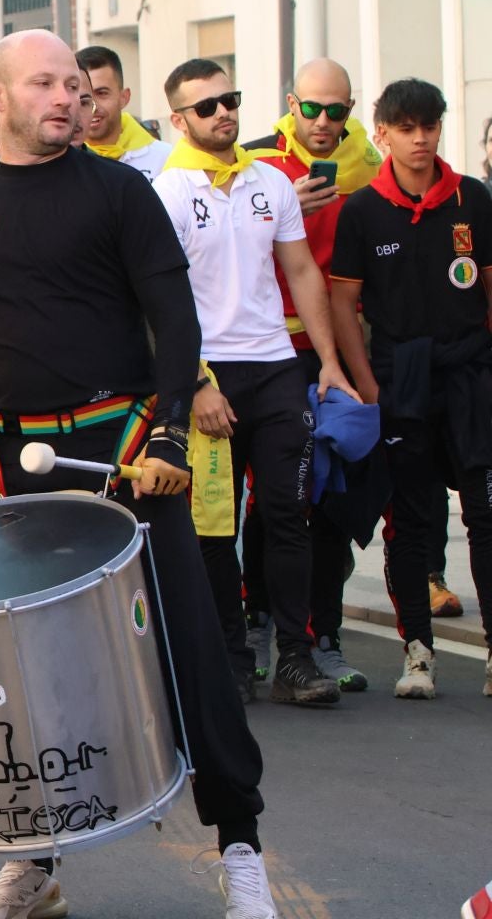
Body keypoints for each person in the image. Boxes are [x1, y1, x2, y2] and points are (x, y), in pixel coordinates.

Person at [0, 30, 275, 919]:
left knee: (189, 651)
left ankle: (240, 849)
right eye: (45, 84)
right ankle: (29, 861)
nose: (68, 99)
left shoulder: (121, 192)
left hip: (124, 459)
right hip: (7, 471)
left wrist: (168, 442)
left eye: (76, 86)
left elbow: (174, 322)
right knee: (15, 674)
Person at [152, 59, 354, 707]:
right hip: (207, 376)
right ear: (180, 119)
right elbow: (160, 301)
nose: (223, 114)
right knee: (214, 526)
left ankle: (295, 657)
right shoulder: (168, 190)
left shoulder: (271, 181)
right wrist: (195, 384)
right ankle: (232, 659)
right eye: (206, 107)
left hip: (275, 370)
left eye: (230, 100)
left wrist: (327, 362)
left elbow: (301, 272)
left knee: (287, 514)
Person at [328, 78, 492, 700]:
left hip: (471, 373)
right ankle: (418, 655)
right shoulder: (363, 210)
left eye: (430, 127)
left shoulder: (472, 200)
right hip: (401, 379)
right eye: (407, 128)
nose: (420, 139)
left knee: (485, 513)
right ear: (383, 133)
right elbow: (344, 303)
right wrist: (369, 384)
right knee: (413, 524)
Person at [242, 58, 384, 689]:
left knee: (335, 496)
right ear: (291, 102)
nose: (324, 122)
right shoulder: (253, 161)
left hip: (341, 349)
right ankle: (258, 621)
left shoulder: (370, 169)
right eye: (313, 108)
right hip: (268, 351)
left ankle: (322, 633)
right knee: (273, 500)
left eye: (339, 111)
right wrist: (276, 209)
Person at [79, 44, 173, 178]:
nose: (93, 106)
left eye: (102, 93)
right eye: (83, 97)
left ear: (124, 97)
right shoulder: (60, 160)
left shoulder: (164, 158)